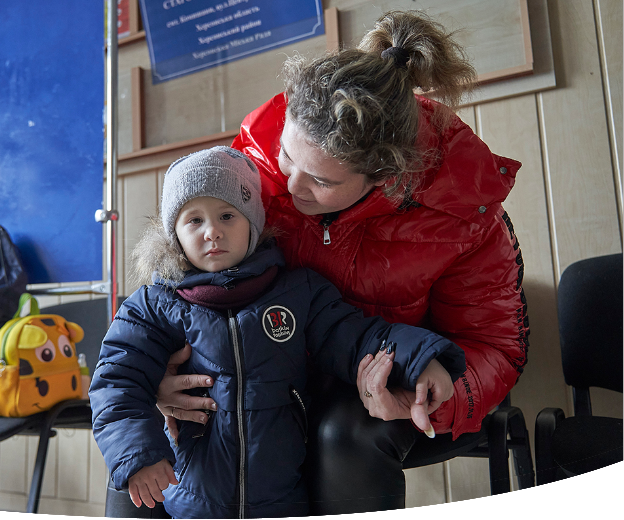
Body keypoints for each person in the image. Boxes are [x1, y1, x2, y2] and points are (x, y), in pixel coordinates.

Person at [154, 10, 530, 519]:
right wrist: (155, 373)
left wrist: (429, 395)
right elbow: (174, 281)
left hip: (377, 380)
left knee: (343, 435)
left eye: (321, 181)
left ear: (384, 175)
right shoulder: (252, 166)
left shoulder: (465, 212)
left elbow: (494, 347)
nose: (288, 186)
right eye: (288, 156)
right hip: (257, 369)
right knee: (146, 439)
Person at [90, 146, 466, 518]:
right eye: (194, 221)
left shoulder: (298, 292)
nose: (212, 233)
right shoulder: (154, 306)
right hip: (193, 501)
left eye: (226, 215)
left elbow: (358, 337)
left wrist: (418, 361)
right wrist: (138, 454)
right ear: (173, 233)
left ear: (253, 225)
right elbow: (116, 380)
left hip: (282, 500)